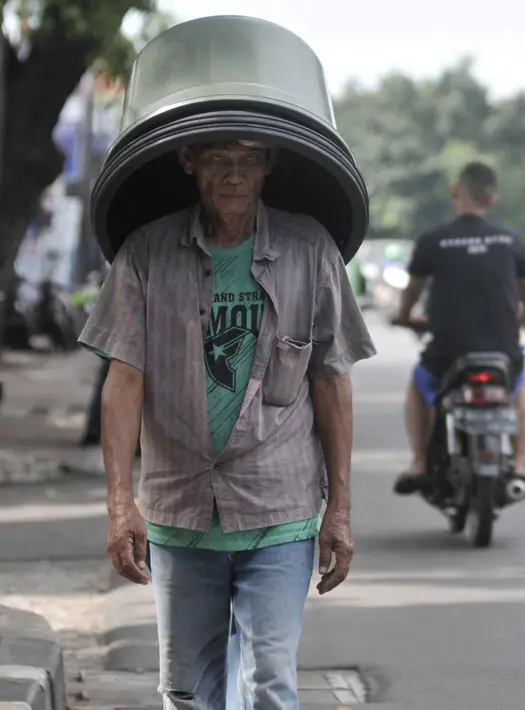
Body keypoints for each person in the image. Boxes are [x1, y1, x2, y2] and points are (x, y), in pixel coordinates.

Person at [78, 139, 376, 710]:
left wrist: (339, 510)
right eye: (217, 157)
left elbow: (332, 382)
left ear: (270, 166)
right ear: (188, 162)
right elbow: (123, 382)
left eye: (249, 159)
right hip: (180, 509)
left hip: (279, 508)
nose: (233, 174)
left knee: (269, 681)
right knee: (188, 691)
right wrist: (120, 506)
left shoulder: (309, 249)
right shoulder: (147, 253)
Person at [390, 162, 525, 493]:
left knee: (419, 382)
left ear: (456, 190)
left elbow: (412, 291)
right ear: (493, 199)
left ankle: (419, 461)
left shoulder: (434, 240)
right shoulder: (512, 241)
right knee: (519, 384)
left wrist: (403, 316)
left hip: (447, 353)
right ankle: (521, 464)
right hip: (502, 350)